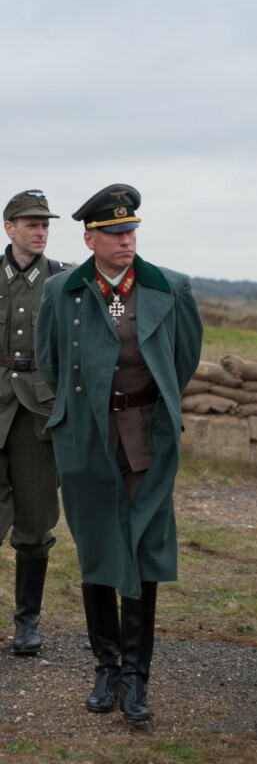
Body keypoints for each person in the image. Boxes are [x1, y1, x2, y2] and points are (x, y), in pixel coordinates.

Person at [35, 184, 203, 721]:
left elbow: (183, 359)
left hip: (145, 434)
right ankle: (105, 668)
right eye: (113, 234)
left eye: (130, 231)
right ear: (90, 239)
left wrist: (147, 405)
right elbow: (49, 361)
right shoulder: (62, 290)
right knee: (98, 545)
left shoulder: (169, 286)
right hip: (87, 435)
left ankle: (136, 677)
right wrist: (83, 409)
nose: (126, 241)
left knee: (143, 546)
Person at [0, 189, 65, 655]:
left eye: (45, 224)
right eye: (31, 224)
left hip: (38, 413)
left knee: (37, 519)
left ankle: (27, 623)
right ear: (10, 228)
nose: (40, 231)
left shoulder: (63, 280)